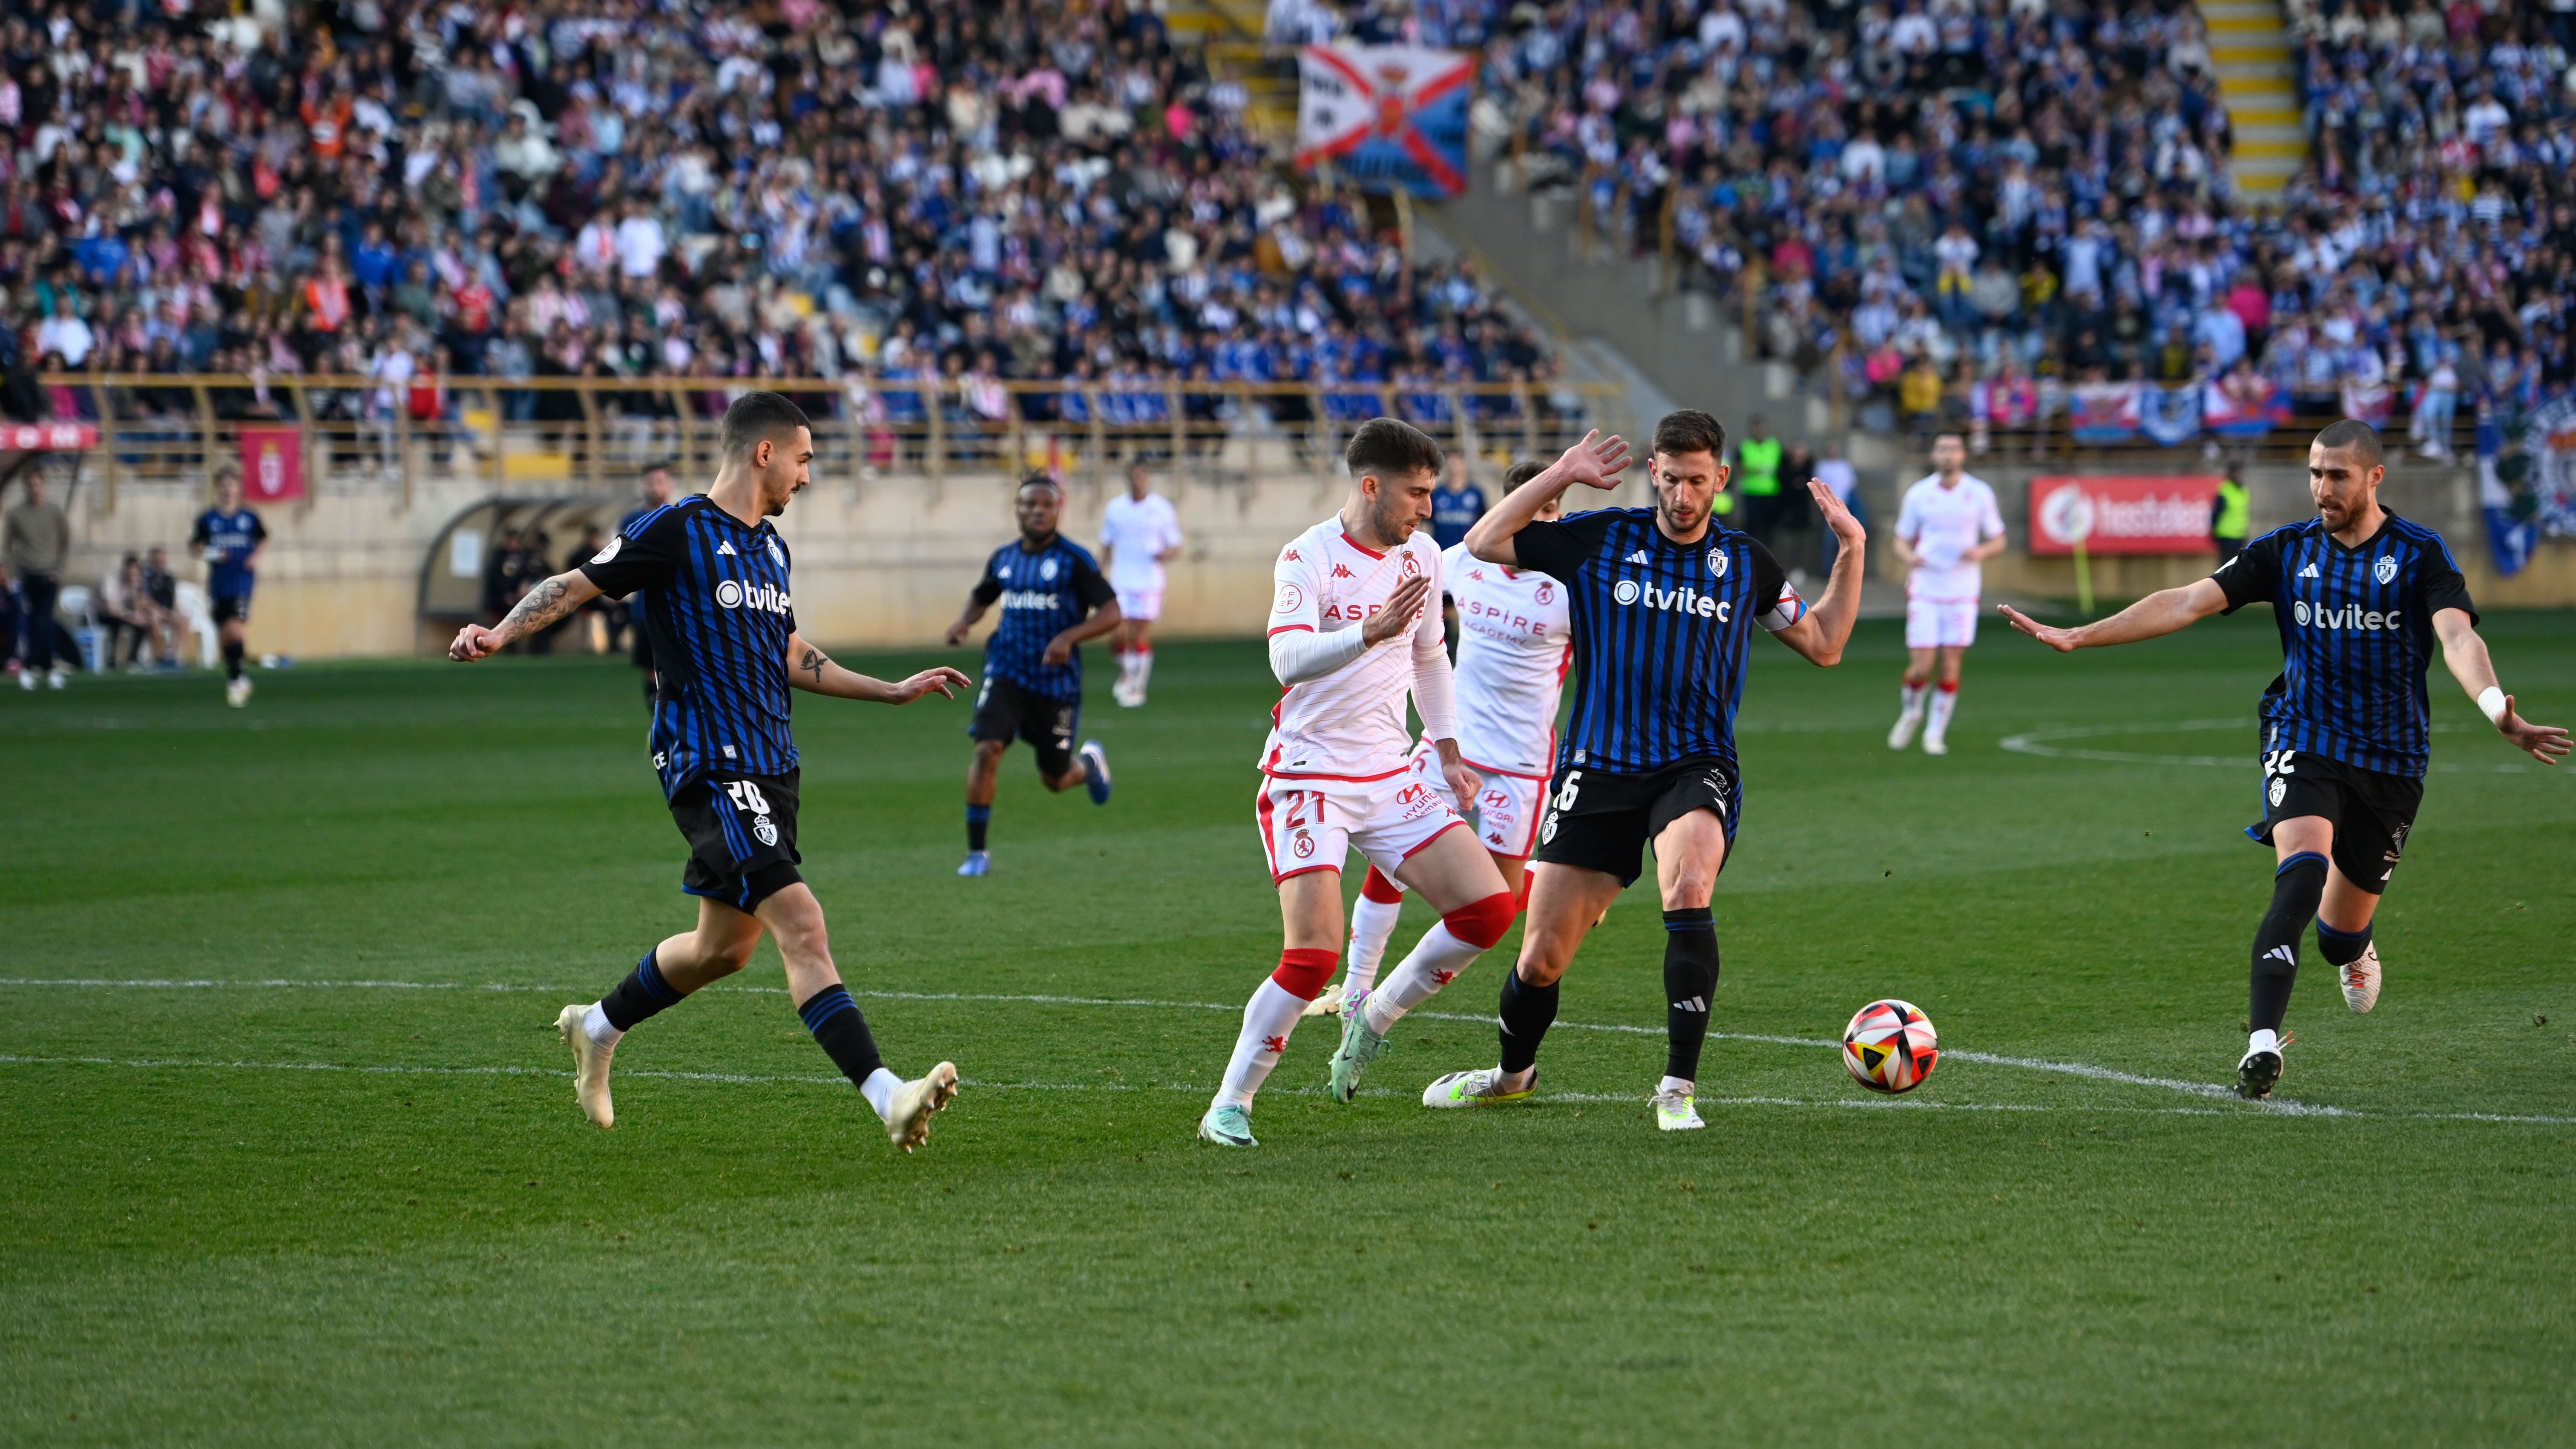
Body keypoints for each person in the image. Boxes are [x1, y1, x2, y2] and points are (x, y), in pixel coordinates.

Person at [446, 391, 975, 1151]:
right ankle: (888, 1096)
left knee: (724, 947)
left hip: (773, 763)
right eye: (803, 459)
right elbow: (576, 583)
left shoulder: (771, 549)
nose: (806, 475)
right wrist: (497, 633)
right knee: (802, 922)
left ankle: (595, 1027)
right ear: (764, 453)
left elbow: (790, 655)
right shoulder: (677, 528)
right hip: (709, 759)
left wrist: (890, 690)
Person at [2000, 421, 2567, 1100]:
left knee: (2336, 936)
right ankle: (2262, 1044)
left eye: (2337, 476)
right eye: (2314, 474)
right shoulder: (2286, 551)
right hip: (2305, 737)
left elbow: (2457, 637)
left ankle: (2355, 946)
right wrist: (2081, 636)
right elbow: (2187, 600)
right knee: (2299, 873)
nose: (2322, 489)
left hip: (2392, 760)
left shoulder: (2421, 555)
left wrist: (2495, 706)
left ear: (2374, 478)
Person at [1428, 410, 1866, 1130]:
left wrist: (1848, 548)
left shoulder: (1745, 563)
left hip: (1694, 766)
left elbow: (1822, 643)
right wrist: (1563, 472)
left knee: (1687, 882)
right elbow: (1484, 541)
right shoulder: (1601, 539)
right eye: (1669, 479)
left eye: (1697, 481)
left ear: (1720, 479)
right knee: (1540, 957)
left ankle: (1676, 1087)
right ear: (1650, 474)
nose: (1682, 496)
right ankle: (1511, 1075)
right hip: (1597, 767)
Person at [1197, 417, 1523, 1148]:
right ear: (1370, 486)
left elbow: (1431, 658)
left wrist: (1445, 750)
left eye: (1431, 493)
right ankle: (1230, 1103)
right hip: (1310, 774)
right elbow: (1287, 662)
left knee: (1488, 909)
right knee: (1312, 956)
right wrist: (1366, 633)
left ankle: (1372, 1017)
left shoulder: (1424, 558)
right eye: (1415, 493)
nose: (1427, 508)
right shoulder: (1305, 556)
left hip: (1390, 773)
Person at [1314, 458, 1570, 1019]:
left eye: (1555, 509)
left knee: (1500, 905)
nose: (1548, 520)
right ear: (1512, 511)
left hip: (1521, 765)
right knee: (1388, 865)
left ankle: (1556, 880)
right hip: (1447, 743)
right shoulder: (1462, 562)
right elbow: (1409, 603)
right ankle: (1357, 990)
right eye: (1538, 508)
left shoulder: (1571, 587)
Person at [943, 475, 1121, 877]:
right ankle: (977, 854)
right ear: (1017, 510)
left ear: (1058, 510)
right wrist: (963, 623)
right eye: (1029, 504)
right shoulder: (1004, 558)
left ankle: (1090, 765)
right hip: (1006, 672)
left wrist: (1069, 637)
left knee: (1056, 779)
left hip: (1056, 684)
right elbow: (983, 595)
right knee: (987, 749)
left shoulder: (1075, 560)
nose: (1038, 511)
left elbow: (1113, 612)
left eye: (1046, 505)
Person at [1886, 433, 2006, 756]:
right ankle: (1912, 712)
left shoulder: (1979, 493)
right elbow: (1900, 538)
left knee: (1951, 665)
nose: (1947, 455)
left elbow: (1999, 539)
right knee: (1922, 667)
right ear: (1934, 455)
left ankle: (1935, 734)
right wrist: (1908, 556)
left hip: (1963, 591)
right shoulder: (1919, 494)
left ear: (1963, 455)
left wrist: (1980, 552)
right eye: (1941, 449)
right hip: (1926, 588)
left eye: (1953, 449)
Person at [1098, 462, 1184, 708]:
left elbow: (1175, 545)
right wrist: (1096, 572)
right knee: (1118, 635)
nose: (1138, 482)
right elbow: (1106, 544)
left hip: (1149, 581)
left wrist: (1164, 555)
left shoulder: (1161, 509)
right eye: (1133, 477)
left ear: (1147, 479)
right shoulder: (1116, 509)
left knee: (1141, 635)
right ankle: (1128, 674)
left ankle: (1137, 687)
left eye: (1142, 477)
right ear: (1127, 480)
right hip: (1122, 580)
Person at [619, 464, 676, 705]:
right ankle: (657, 722)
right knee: (649, 668)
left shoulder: (680, 517)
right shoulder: (632, 520)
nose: (656, 487)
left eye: (661, 481)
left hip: (676, 608)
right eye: (652, 482)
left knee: (676, 668)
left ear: (670, 484)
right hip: (644, 609)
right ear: (643, 485)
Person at [5, 474, 69, 689]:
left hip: (49, 574)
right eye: (31, 485)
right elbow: (8, 544)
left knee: (44, 621)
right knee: (30, 623)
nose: (35, 489)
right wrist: (12, 572)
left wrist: (59, 569)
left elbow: (65, 541)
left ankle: (38, 666)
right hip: (26, 573)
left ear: (44, 486)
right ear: (26, 487)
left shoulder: (54, 512)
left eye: (38, 485)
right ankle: (40, 668)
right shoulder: (17, 514)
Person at [1814, 438, 1863, 578]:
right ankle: (1827, 572)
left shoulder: (1844, 465)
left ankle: (1848, 572)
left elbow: (1851, 484)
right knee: (1829, 541)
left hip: (1846, 507)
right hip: (1829, 508)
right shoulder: (1822, 466)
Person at [1734, 412, 1784, 550]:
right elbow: (1740, 468)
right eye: (1756, 428)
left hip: (1771, 492)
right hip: (1751, 492)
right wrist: (1757, 470)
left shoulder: (1774, 445)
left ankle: (1768, 558)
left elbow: (1781, 467)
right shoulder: (1744, 446)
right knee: (1751, 528)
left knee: (1770, 530)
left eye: (1761, 427)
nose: (1759, 431)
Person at [1429, 452, 1486, 550]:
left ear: (1464, 465)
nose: (1454, 467)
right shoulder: (1437, 493)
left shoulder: (1476, 494)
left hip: (1467, 552)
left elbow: (1483, 523)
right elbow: (1424, 523)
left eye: (1458, 463)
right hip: (1442, 551)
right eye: (1451, 463)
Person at [2211, 463, 2250, 567]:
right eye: (2237, 473)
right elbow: (2216, 513)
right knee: (2226, 567)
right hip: (2227, 536)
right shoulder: (2225, 491)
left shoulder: (2243, 490)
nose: (2239, 476)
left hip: (2240, 534)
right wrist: (2213, 530)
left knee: (2238, 567)